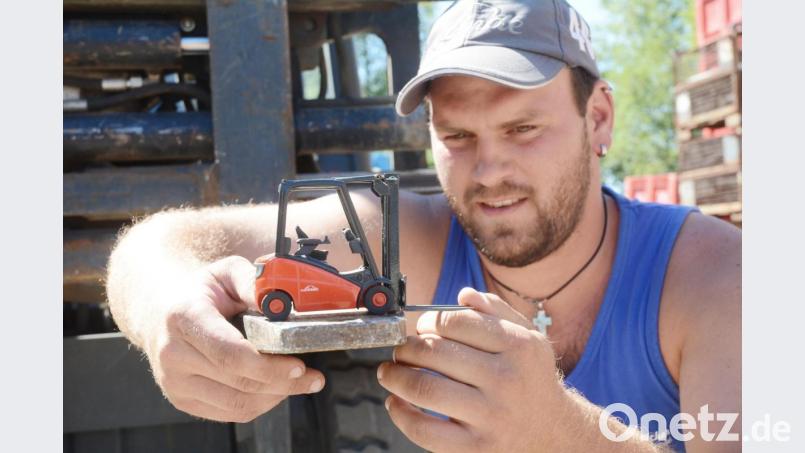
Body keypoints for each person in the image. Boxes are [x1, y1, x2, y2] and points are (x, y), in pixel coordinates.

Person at [106, 0, 740, 451]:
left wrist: (561, 437)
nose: (490, 170)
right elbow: (163, 244)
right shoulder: (411, 233)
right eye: (457, 136)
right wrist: (168, 308)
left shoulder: (716, 278)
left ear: (598, 118)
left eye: (523, 129)